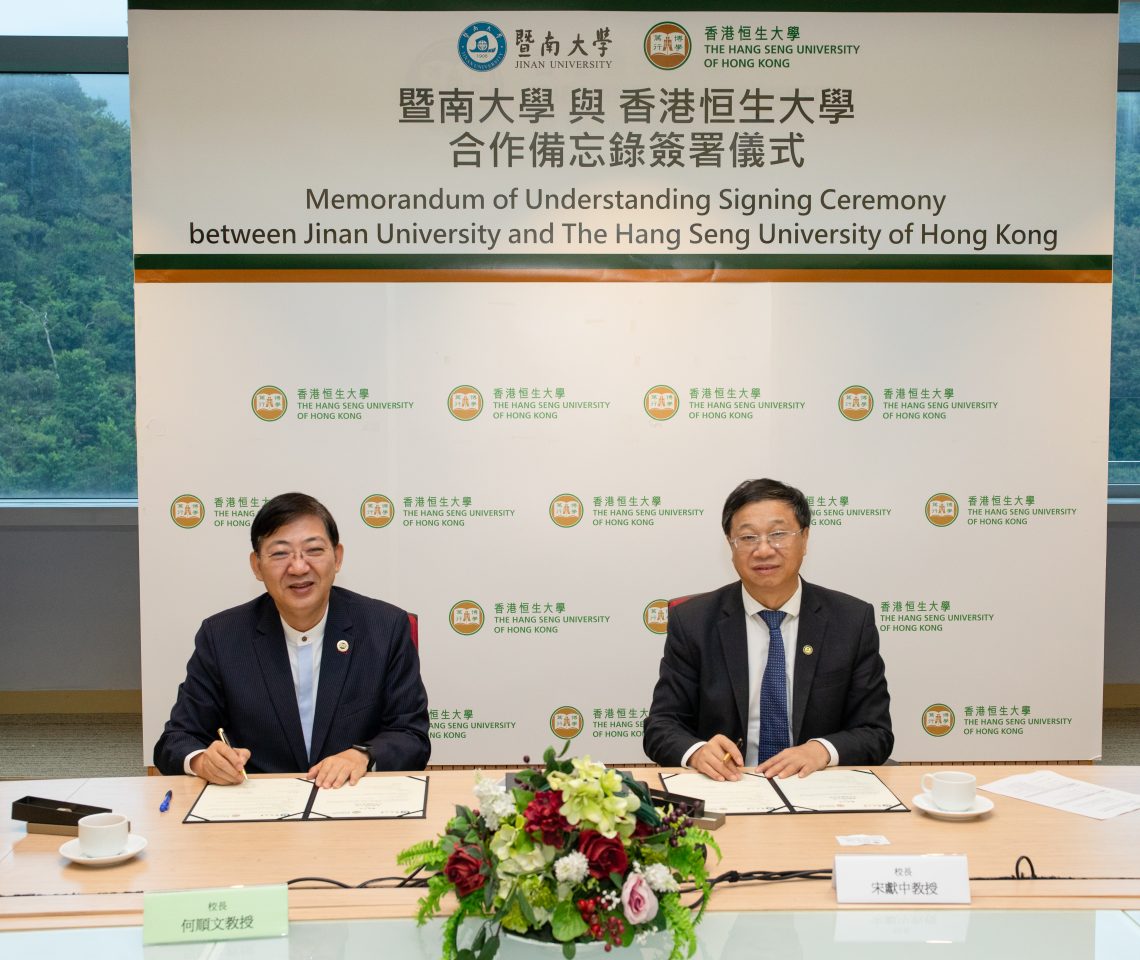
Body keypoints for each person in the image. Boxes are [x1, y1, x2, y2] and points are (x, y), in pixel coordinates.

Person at [154, 492, 430, 787]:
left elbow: (411, 736)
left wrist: (362, 756)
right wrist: (202, 761)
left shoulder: (385, 628)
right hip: (257, 807)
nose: (298, 567)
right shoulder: (222, 636)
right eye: (280, 553)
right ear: (257, 566)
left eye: (313, 550)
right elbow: (176, 740)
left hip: (351, 800)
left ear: (337, 558)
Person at [643, 478, 892, 780]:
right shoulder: (693, 621)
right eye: (747, 538)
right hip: (729, 786)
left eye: (778, 534)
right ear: (731, 546)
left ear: (805, 538)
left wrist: (821, 750)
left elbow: (876, 732)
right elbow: (661, 726)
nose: (763, 550)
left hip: (815, 787)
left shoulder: (851, 620)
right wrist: (696, 751)